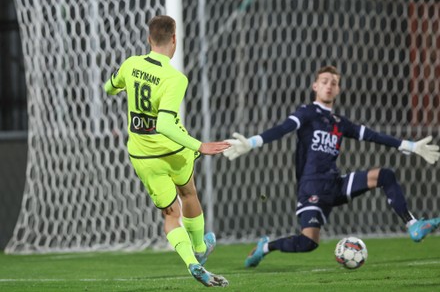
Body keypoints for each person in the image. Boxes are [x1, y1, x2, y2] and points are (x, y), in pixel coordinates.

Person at [223, 65, 440, 268]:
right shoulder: (306, 113)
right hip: (311, 188)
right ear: (315, 86)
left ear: (338, 90)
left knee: (385, 175)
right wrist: (251, 143)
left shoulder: (339, 121)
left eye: (334, 83)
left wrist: (411, 146)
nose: (329, 85)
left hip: (335, 183)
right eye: (325, 81)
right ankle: (267, 247)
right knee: (308, 242)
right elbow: (282, 129)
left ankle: (413, 225)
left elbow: (373, 136)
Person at [104, 15, 229, 287]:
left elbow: (109, 87)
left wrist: (121, 85)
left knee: (171, 214)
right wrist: (200, 145)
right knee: (188, 192)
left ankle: (192, 262)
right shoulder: (175, 78)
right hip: (175, 151)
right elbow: (164, 123)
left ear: (149, 39)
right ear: (174, 38)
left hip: (144, 156)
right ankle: (199, 247)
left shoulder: (131, 64)